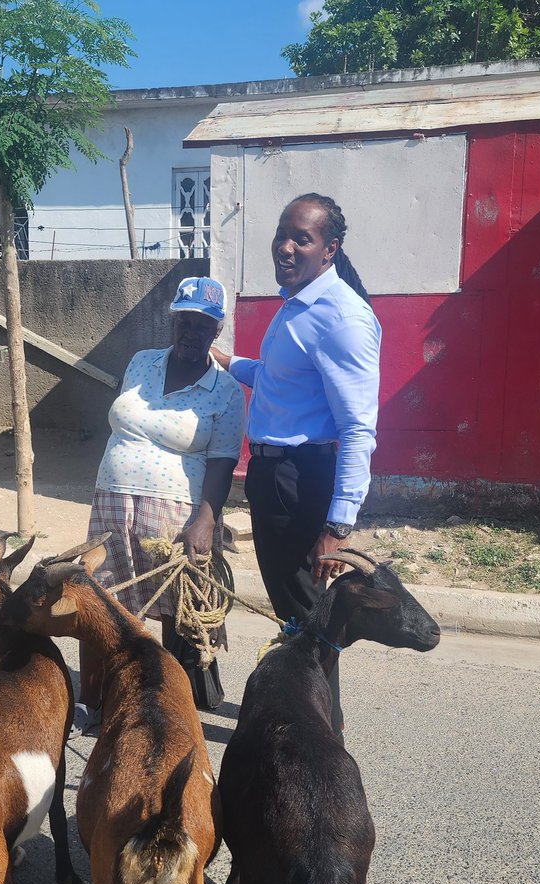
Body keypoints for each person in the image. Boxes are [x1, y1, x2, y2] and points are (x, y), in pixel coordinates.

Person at [210, 193, 381, 737]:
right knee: (295, 611)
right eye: (282, 233)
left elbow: (358, 427)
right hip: (272, 475)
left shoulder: (341, 317)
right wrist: (228, 361)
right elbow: (279, 380)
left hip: (300, 479)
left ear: (329, 249)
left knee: (308, 616)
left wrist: (338, 526)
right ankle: (314, 719)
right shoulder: (297, 303)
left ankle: (321, 734)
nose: (285, 246)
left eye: (301, 238)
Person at [74, 275, 247, 736]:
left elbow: (223, 460)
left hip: (174, 515)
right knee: (102, 602)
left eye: (202, 325)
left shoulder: (225, 392)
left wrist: (205, 521)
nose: (191, 332)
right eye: (183, 322)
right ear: (173, 322)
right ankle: (94, 702)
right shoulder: (141, 363)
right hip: (110, 505)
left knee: (174, 613)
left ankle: (163, 708)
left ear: (217, 330)